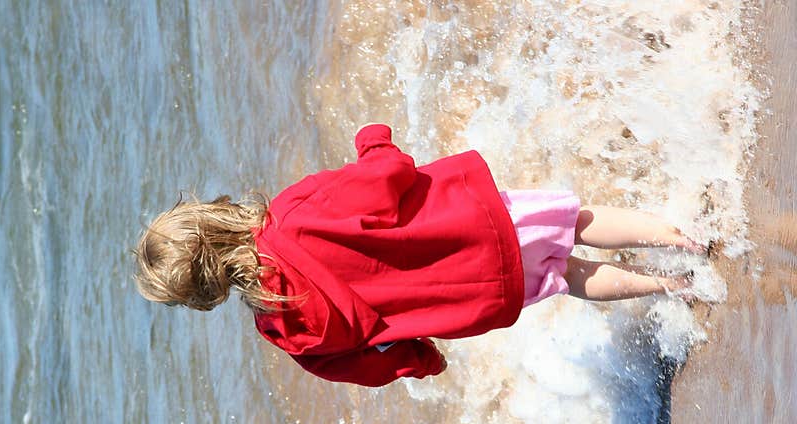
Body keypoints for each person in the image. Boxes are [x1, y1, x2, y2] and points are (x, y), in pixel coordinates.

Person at [133, 124, 705, 387]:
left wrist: (423, 360)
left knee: (568, 277)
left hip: (482, 294)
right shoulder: (293, 213)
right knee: (576, 224)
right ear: (208, 216)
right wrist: (373, 140)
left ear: (205, 292)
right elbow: (386, 179)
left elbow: (373, 362)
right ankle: (690, 244)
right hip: (477, 226)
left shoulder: (285, 330)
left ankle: (677, 287)